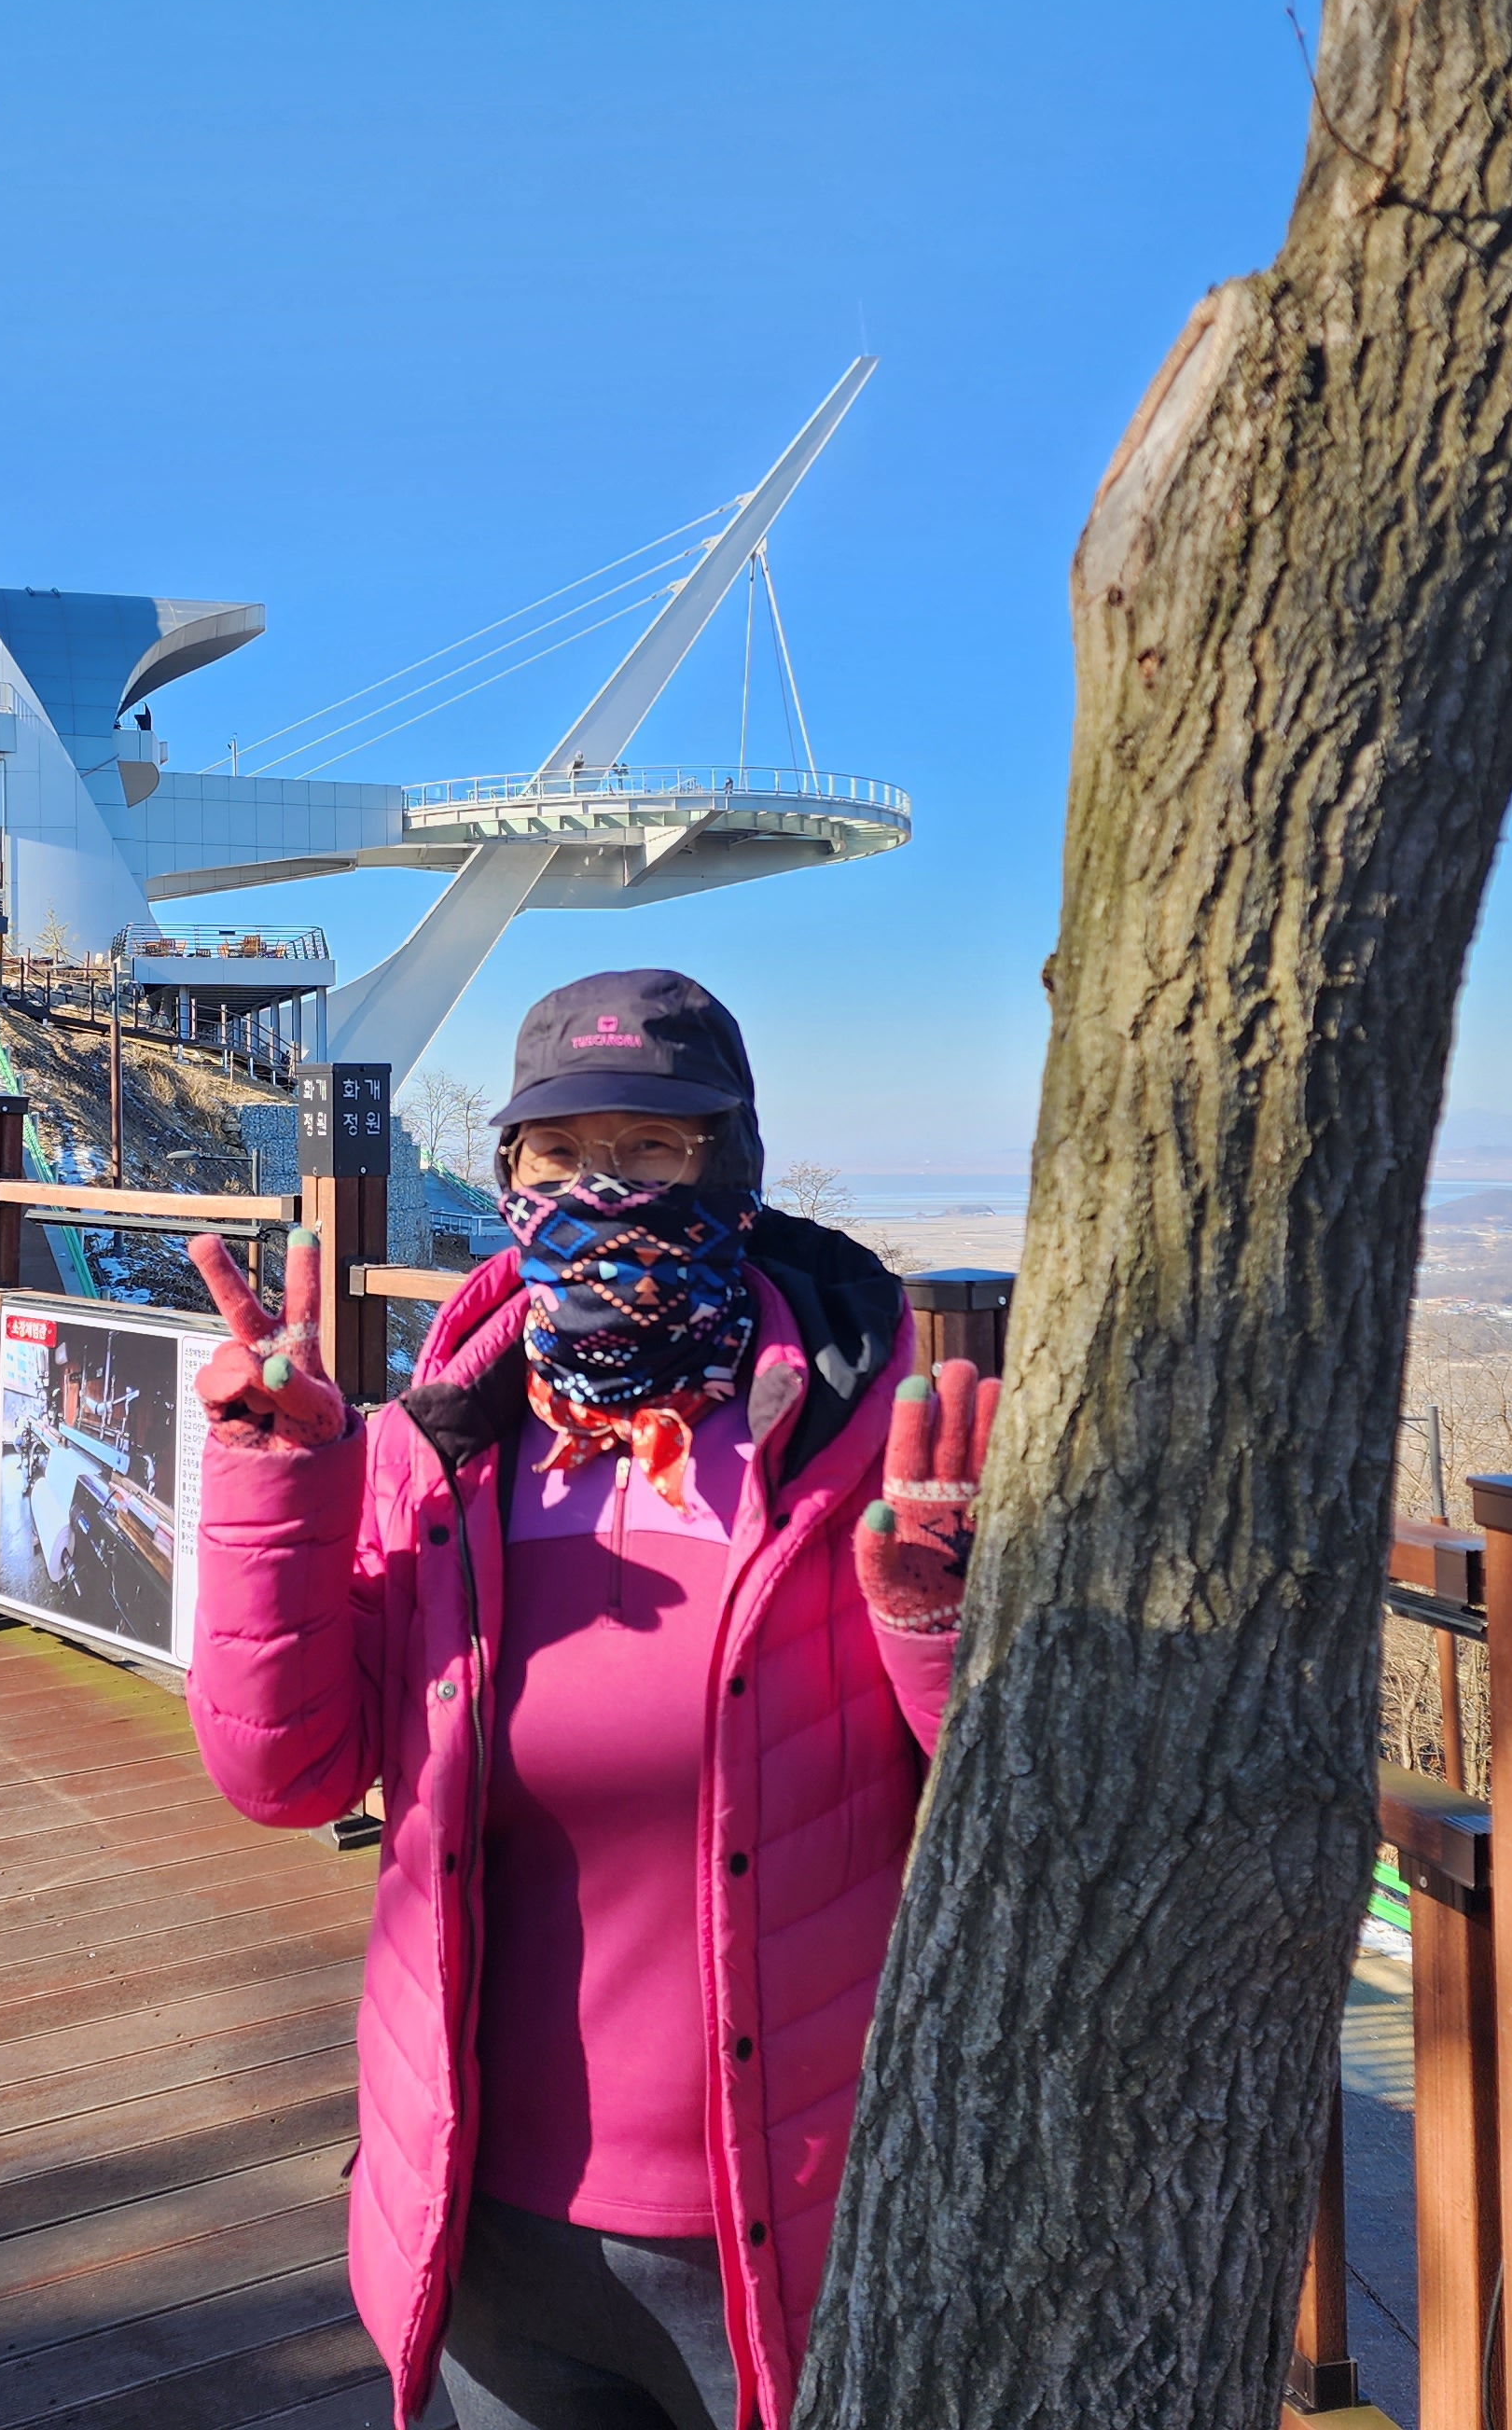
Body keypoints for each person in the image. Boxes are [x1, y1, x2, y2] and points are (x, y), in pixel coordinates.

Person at [180, 968, 998, 2430]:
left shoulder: (869, 1440)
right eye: (557, 1156)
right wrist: (279, 1479)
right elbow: (286, 1777)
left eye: (651, 1150)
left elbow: (1014, 1820)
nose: (599, 1193)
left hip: (801, 2222)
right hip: (486, 2223)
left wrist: (942, 1627)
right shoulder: (439, 1450)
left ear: (730, 1169)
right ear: (509, 1177)